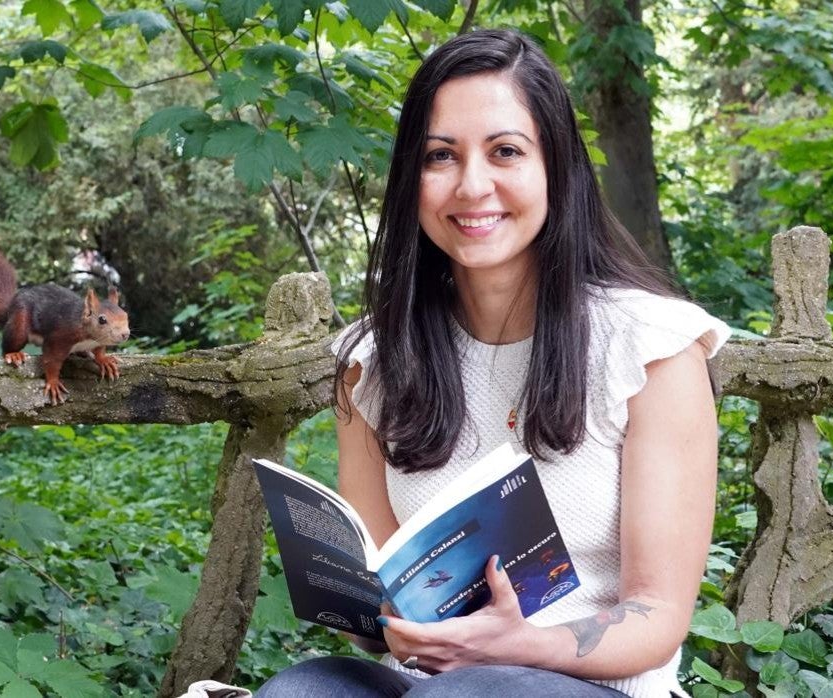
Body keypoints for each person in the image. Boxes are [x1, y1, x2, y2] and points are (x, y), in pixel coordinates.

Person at [256, 28, 730, 698]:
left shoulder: (651, 349)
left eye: (505, 151)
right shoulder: (375, 362)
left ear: (556, 167)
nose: (472, 186)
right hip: (426, 683)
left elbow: (657, 616)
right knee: (303, 691)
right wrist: (377, 617)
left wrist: (524, 646)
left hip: (594, 687)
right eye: (440, 157)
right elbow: (379, 608)